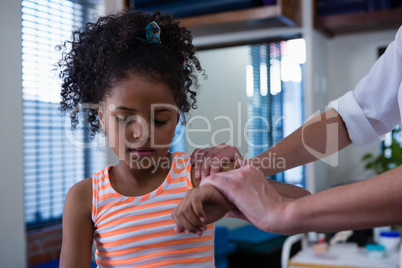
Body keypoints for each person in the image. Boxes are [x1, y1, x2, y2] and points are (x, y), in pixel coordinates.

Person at [58, 10, 309, 267]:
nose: (141, 134)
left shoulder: (199, 174)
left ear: (177, 118)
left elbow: (305, 206)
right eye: (124, 118)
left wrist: (232, 188)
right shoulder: (85, 198)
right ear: (101, 116)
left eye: (160, 120)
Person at [172, 25, 402, 236]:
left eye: (160, 120)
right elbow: (352, 118)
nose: (139, 133)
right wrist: (246, 172)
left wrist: (283, 212)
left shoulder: (189, 173)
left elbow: (303, 198)